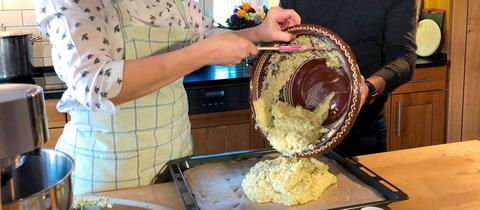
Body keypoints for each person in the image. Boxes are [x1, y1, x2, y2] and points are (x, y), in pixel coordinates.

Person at [36, 0, 300, 195]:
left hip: (177, 169)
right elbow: (94, 83)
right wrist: (202, 54)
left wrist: (258, 33)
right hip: (107, 177)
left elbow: (203, 37)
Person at [280, 0, 417, 157]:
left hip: (363, 132)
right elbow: (280, 43)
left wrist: (368, 89)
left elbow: (403, 57)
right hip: (298, 130)